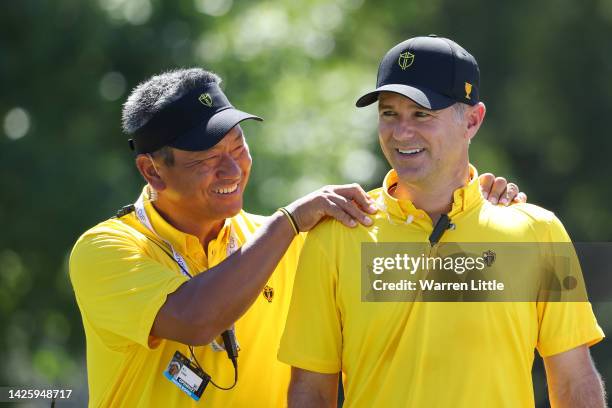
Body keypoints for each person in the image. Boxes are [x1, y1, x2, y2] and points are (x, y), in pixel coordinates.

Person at [69, 68, 524, 407]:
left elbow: (418, 277)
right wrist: (289, 220)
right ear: (152, 170)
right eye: (206, 158)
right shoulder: (105, 249)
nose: (232, 170)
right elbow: (194, 318)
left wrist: (466, 204)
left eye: (237, 147)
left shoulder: (287, 244)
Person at [279, 35, 605, 408]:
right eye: (389, 113)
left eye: (422, 114)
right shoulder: (335, 234)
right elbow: (310, 391)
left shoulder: (538, 231)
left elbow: (573, 379)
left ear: (472, 120)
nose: (402, 132)